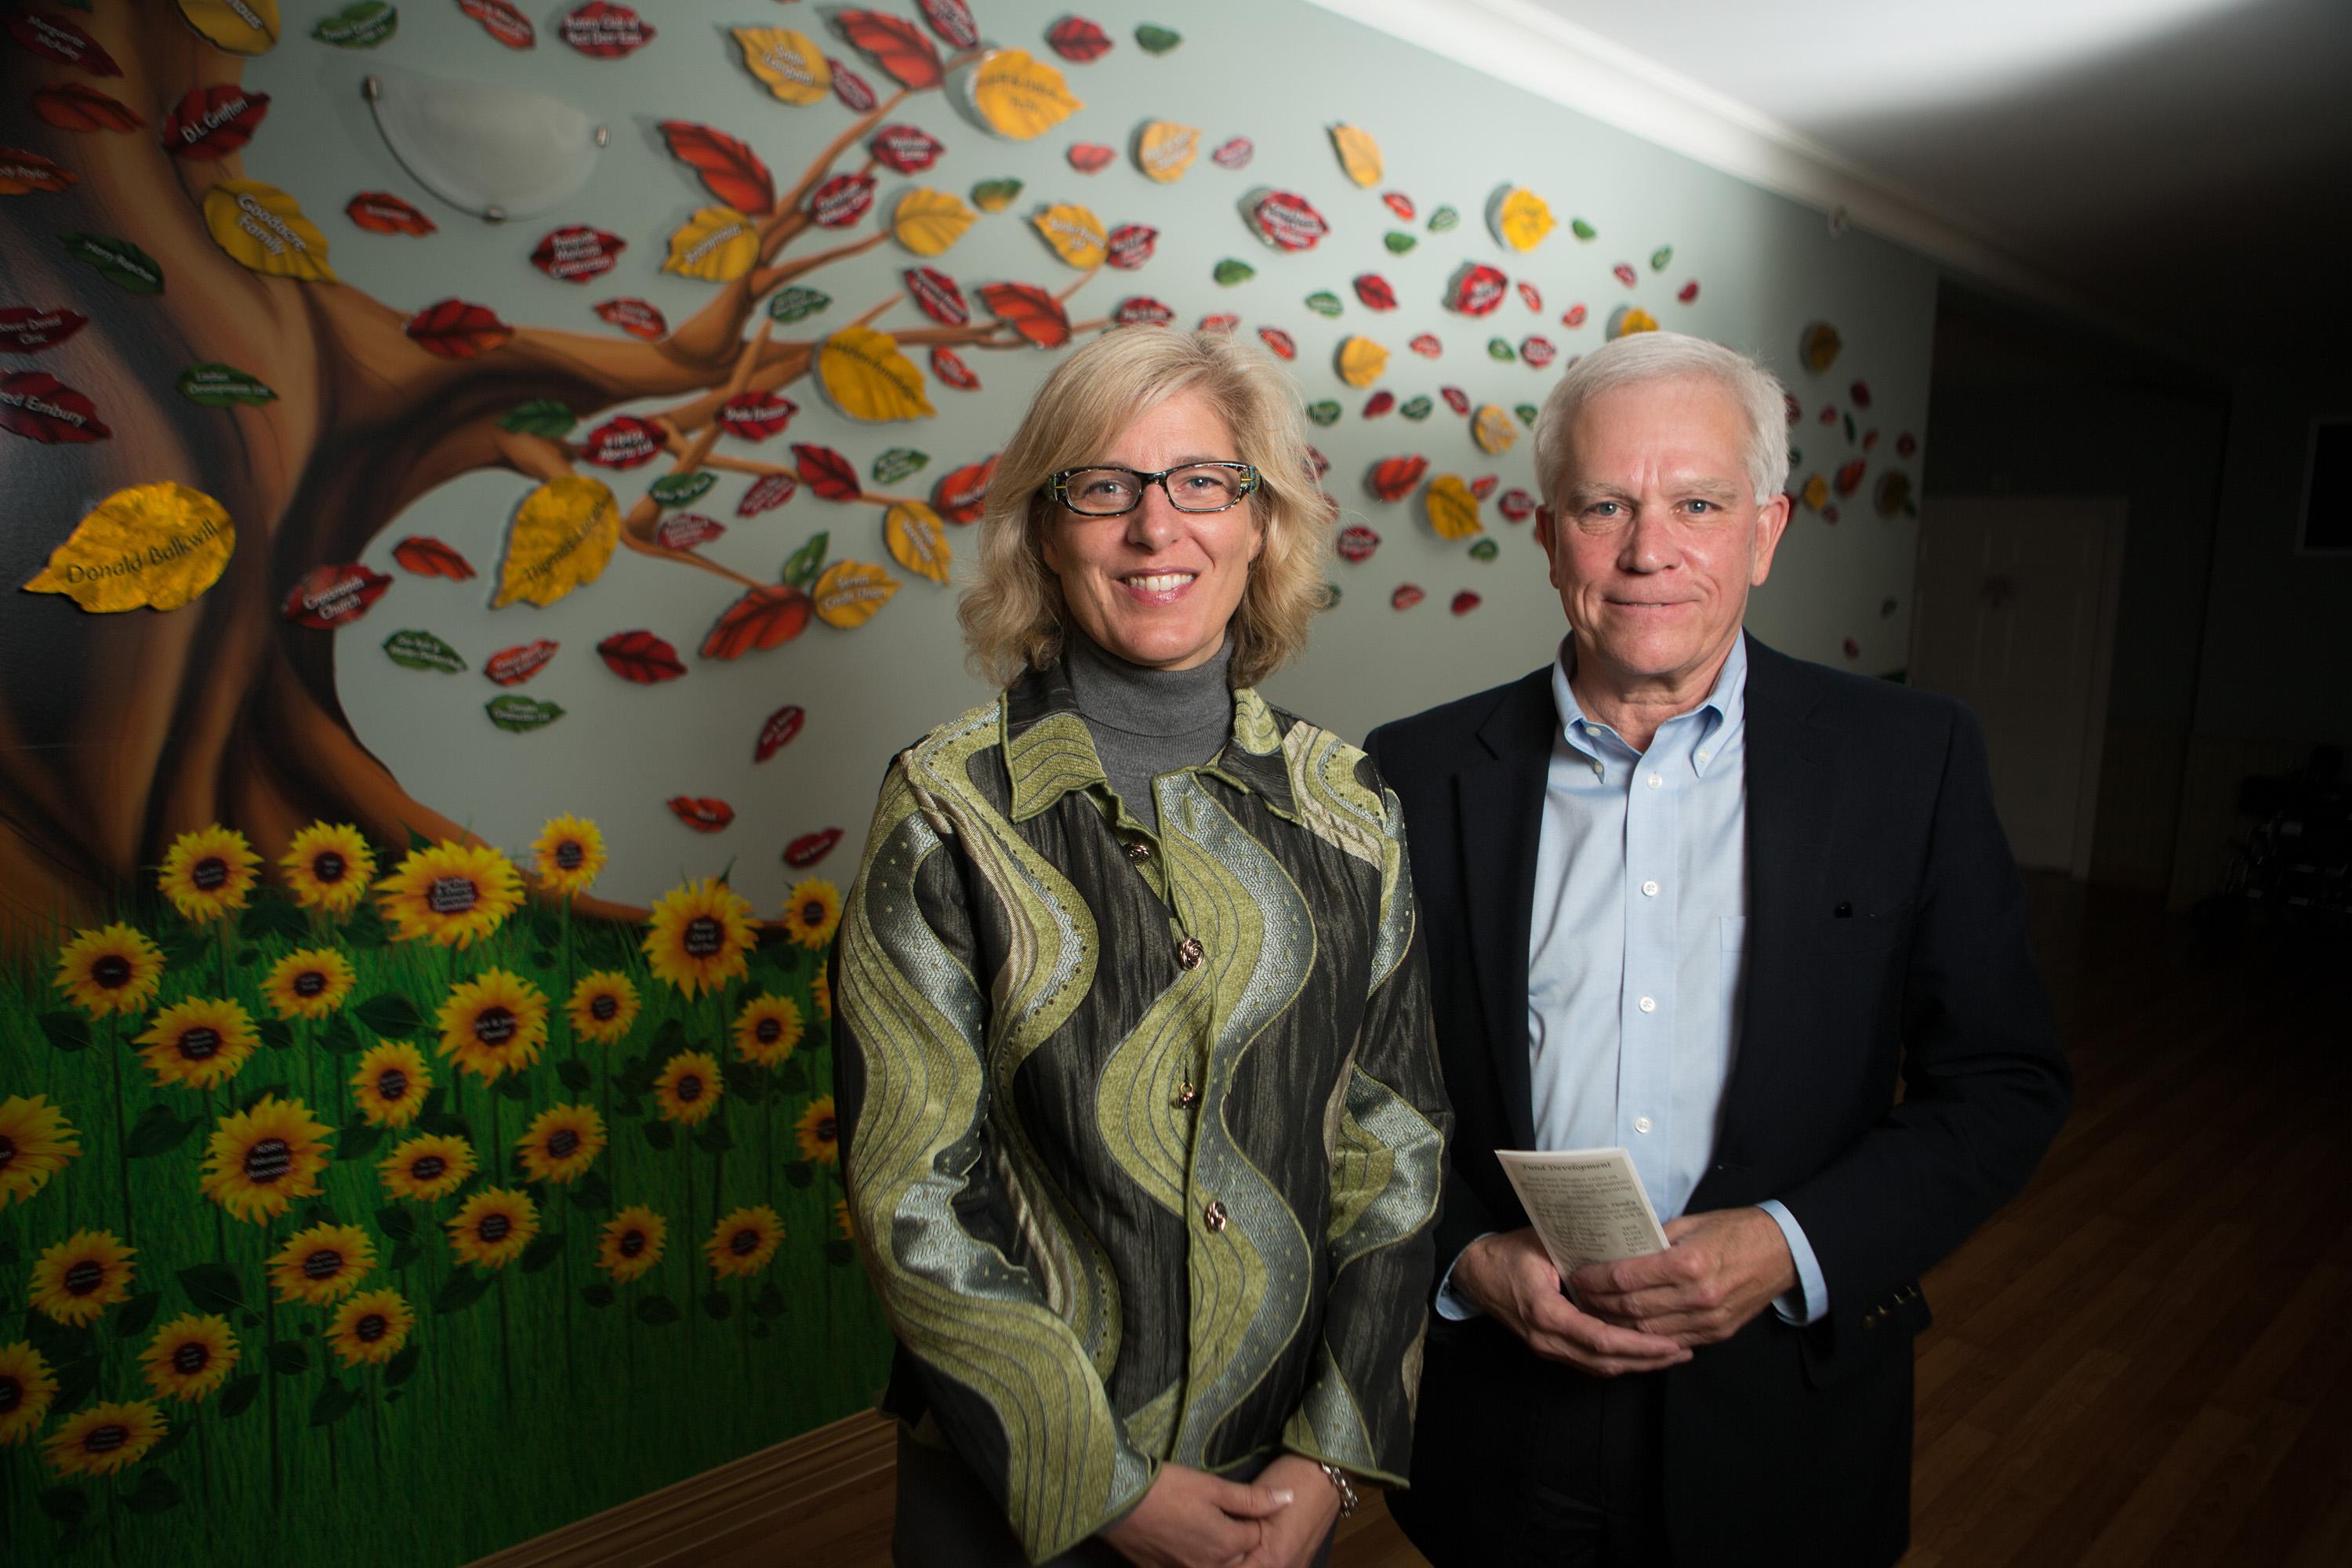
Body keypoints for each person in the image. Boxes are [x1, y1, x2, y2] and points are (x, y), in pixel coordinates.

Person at [1366, 332, 2071, 1567]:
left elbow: (2003, 1085)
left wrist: (1791, 1244)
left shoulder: (1909, 762)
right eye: (1606, 506)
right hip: (1500, 1419)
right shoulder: (1416, 774)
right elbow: (1358, 1085)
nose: (1650, 550)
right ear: (1548, 533)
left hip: (1788, 1417)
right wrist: (1469, 1255)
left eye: (1698, 503)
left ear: (1766, 527)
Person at [833, 327, 1451, 1568]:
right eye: (1103, 486)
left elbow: (1394, 1148)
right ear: (1046, 533)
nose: (1156, 528)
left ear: (1261, 522)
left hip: (1278, 1482)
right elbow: (911, 1190)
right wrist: (1105, 1485)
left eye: (1202, 482)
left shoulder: (1351, 801)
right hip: (1012, 1491)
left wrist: (1330, 1458)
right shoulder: (948, 801)